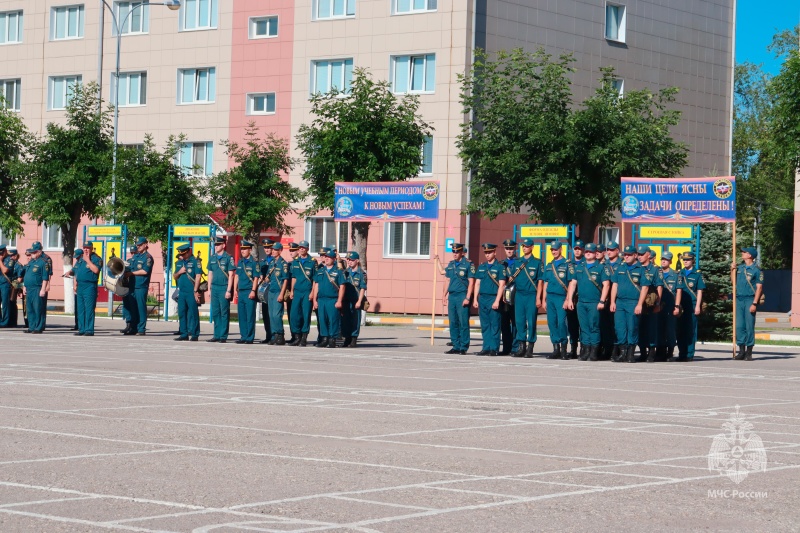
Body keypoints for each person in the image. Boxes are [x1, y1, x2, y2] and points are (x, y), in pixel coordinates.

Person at [566, 243, 609, 361]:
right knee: (584, 327)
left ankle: (594, 352)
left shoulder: (600, 267)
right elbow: (573, 283)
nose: (588, 253)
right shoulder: (580, 267)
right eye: (587, 252)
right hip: (581, 302)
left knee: (594, 327)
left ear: (596, 253)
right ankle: (585, 350)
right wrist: (570, 299)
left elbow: (606, 285)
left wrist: (602, 301)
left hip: (594, 302)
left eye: (591, 251)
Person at [610, 245, 650, 363]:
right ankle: (623, 353)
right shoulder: (620, 268)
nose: (626, 257)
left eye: (629, 255)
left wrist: (639, 304)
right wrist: (612, 302)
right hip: (620, 302)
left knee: (632, 327)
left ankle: (630, 354)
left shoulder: (641, 269)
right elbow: (615, 285)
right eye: (625, 255)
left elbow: (645, 288)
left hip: (633, 302)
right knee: (619, 328)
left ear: (635, 255)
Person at [434, 243, 474, 355]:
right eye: (453, 252)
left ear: (461, 252)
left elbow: (471, 282)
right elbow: (444, 274)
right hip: (452, 296)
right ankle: (455, 345)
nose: (455, 254)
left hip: (462, 295)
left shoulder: (468, 264)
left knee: (463, 322)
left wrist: (468, 297)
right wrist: (437, 260)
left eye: (457, 252)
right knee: (453, 322)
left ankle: (463, 346)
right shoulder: (451, 265)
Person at [505, 238, 543, 358]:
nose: (524, 248)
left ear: (532, 247)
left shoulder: (537, 263)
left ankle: (530, 347)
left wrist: (538, 298)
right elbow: (510, 277)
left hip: (531, 294)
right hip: (519, 295)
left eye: (527, 246)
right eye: (523, 246)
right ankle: (521, 347)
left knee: (531, 321)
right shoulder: (517, 262)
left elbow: (540, 282)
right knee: (519, 321)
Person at [470, 243, 506, 356]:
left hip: (493, 298)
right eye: (486, 252)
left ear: (494, 252)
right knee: (485, 325)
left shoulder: (500, 267)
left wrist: (497, 300)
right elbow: (477, 284)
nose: (487, 255)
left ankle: (494, 348)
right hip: (483, 298)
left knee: (495, 324)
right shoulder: (482, 267)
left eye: (489, 252)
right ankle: (486, 347)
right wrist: (475, 299)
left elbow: (502, 285)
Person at [542, 240, 572, 359]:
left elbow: (570, 283)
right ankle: (556, 349)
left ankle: (564, 348)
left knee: (561, 323)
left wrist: (568, 299)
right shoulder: (549, 265)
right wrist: (543, 299)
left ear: (561, 249)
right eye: (552, 250)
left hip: (561, 297)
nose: (554, 251)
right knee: (552, 323)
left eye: (556, 249)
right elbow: (546, 283)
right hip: (550, 297)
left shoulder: (567, 265)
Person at [674, 251, 706, 362]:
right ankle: (682, 353)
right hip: (681, 306)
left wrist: (698, 306)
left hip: (691, 305)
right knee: (680, 330)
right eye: (684, 259)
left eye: (688, 259)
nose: (685, 261)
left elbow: (700, 291)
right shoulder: (679, 273)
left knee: (690, 330)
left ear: (692, 260)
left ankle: (689, 354)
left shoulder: (697, 274)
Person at [732, 247, 762, 361]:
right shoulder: (740, 268)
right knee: (739, 326)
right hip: (739, 299)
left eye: (744, 252)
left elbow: (759, 288)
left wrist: (754, 303)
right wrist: (732, 270)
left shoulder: (757, 270)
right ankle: (741, 351)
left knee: (749, 326)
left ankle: (749, 352)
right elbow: (733, 282)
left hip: (750, 299)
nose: (742, 253)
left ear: (750, 255)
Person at [312, 247, 345, 348]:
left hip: (332, 299)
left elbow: (342, 287)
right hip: (321, 299)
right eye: (325, 257)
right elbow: (316, 285)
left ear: (333, 259)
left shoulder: (339, 272)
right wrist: (314, 300)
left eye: (329, 257)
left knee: (333, 319)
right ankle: (324, 338)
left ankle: (332, 339)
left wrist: (339, 300)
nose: (326, 259)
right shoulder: (321, 271)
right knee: (322, 320)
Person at [637, 246, 663, 363]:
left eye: (642, 254)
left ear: (648, 255)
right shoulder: (636, 268)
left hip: (650, 303)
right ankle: (642, 352)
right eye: (638, 254)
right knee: (640, 328)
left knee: (651, 328)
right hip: (637, 303)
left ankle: (652, 352)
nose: (639, 256)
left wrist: (658, 303)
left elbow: (659, 286)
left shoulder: (655, 270)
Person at [206, 236, 235, 343]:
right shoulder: (212, 258)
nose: (216, 246)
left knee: (224, 312)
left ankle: (223, 336)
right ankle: (216, 334)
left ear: (224, 245)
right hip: (214, 288)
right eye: (215, 245)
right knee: (215, 312)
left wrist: (228, 290)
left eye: (218, 244)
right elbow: (210, 274)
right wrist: (209, 289)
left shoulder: (228, 258)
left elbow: (231, 275)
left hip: (224, 287)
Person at [173, 243, 203, 341]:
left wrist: (195, 291)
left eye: (184, 254)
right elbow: (174, 276)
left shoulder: (195, 262)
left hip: (191, 291)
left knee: (193, 313)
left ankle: (194, 334)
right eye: (181, 254)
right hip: (182, 292)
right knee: (182, 312)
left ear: (188, 252)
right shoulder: (180, 263)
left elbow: (198, 276)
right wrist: (180, 272)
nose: (182, 256)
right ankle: (184, 334)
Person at [125, 237, 154, 335]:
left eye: (140, 245)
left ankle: (141, 328)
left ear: (146, 244)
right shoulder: (135, 257)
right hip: (132, 285)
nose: (138, 246)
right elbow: (128, 266)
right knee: (133, 307)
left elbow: (145, 271)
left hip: (141, 286)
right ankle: (133, 327)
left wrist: (131, 273)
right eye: (137, 245)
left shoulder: (148, 257)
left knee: (141, 307)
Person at [288, 241, 314, 347]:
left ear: (307, 249)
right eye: (300, 248)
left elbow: (315, 279)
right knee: (294, 315)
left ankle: (304, 337)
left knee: (305, 314)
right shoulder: (295, 261)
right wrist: (292, 290)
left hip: (307, 291)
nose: (301, 249)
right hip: (297, 291)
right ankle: (296, 337)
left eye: (304, 248)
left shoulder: (312, 262)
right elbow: (293, 277)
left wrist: (312, 292)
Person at [73, 242, 102, 336]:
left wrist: (88, 260)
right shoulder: (80, 260)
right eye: (84, 248)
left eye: (88, 248)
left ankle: (89, 330)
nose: (86, 250)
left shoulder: (96, 259)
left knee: (89, 308)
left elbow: (96, 270)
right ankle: (81, 329)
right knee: (80, 309)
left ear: (91, 248)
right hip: (80, 286)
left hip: (89, 286)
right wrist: (70, 273)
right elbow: (75, 270)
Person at [234, 241, 259, 344]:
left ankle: (249, 337)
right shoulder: (240, 262)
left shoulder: (254, 262)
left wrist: (253, 290)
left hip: (249, 291)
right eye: (241, 249)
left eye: (244, 249)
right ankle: (243, 336)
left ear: (250, 250)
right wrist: (235, 289)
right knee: (242, 315)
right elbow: (237, 276)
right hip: (241, 292)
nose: (242, 251)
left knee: (250, 315)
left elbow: (256, 278)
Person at [265, 242, 289, 345]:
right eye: (272, 249)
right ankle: (274, 335)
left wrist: (281, 294)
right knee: (271, 314)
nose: (273, 251)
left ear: (280, 251)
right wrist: (266, 278)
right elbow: (269, 277)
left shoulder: (283, 264)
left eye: (275, 250)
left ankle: (280, 334)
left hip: (278, 291)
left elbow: (285, 280)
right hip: (271, 291)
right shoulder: (272, 263)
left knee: (276, 314)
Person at [600, 241, 621, 360]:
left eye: (612, 250)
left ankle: (616, 349)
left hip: (617, 299)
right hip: (605, 298)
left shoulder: (621, 264)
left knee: (616, 326)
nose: (609, 252)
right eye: (608, 249)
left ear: (617, 251)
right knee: (605, 325)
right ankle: (607, 349)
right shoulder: (604, 264)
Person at [342, 251, 367, 348]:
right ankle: (346, 338)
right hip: (346, 300)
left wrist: (359, 301)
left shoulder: (362, 274)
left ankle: (353, 339)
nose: (349, 262)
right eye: (348, 260)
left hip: (355, 300)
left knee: (355, 320)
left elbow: (362, 288)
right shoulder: (345, 272)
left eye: (351, 260)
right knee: (346, 320)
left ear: (357, 261)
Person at [657, 251, 678, 361]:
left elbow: (678, 292)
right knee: (659, 329)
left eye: (666, 259)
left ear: (670, 261)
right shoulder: (657, 272)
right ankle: (660, 351)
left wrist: (677, 306)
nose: (663, 261)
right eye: (662, 259)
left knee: (670, 329)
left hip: (670, 305)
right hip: (658, 305)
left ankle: (670, 351)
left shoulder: (675, 275)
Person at [23, 247, 49, 334]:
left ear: (38, 252)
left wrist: (43, 289)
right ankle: (31, 326)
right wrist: (24, 286)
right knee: (30, 309)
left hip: (37, 288)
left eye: (33, 253)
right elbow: (26, 275)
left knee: (37, 308)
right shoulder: (31, 262)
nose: (32, 254)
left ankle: (38, 327)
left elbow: (45, 278)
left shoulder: (43, 263)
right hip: (29, 288)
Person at [499, 239, 519, 355]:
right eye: (507, 249)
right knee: (504, 323)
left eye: (511, 248)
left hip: (516, 296)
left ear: (514, 249)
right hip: (504, 297)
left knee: (516, 322)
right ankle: (506, 347)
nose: (509, 251)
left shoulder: (520, 262)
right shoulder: (501, 264)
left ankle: (515, 348)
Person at [566, 240, 585, 358]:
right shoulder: (568, 264)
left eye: (579, 248)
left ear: (583, 250)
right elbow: (567, 283)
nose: (577, 250)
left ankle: (584, 348)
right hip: (571, 298)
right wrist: (568, 299)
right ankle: (573, 349)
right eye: (575, 248)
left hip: (582, 297)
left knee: (583, 325)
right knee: (572, 325)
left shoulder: (586, 263)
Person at [258, 239, 274, 344]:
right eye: (265, 247)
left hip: (272, 290)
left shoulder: (275, 261)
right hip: (265, 292)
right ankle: (268, 335)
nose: (267, 249)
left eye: (269, 247)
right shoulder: (263, 262)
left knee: (272, 314)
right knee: (265, 314)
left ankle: (274, 335)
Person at [120, 244, 138, 333]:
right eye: (131, 252)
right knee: (126, 306)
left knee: (134, 307)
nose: (133, 254)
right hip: (127, 286)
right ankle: (128, 324)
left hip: (135, 286)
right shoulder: (129, 261)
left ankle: (134, 326)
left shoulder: (137, 261)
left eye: (134, 252)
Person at [0, 244, 16, 328]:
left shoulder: (10, 260)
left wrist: (0, 261)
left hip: (5, 284)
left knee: (5, 303)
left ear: (5, 251)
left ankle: (5, 322)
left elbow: (5, 270)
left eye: (2, 252)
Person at [8, 249, 22, 328]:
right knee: (8, 303)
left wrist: (17, 288)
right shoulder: (9, 264)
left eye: (12, 256)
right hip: (8, 284)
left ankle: (13, 322)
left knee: (12, 302)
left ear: (16, 256)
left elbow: (20, 278)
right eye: (9, 256)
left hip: (14, 285)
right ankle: (9, 320)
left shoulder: (18, 265)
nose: (10, 257)